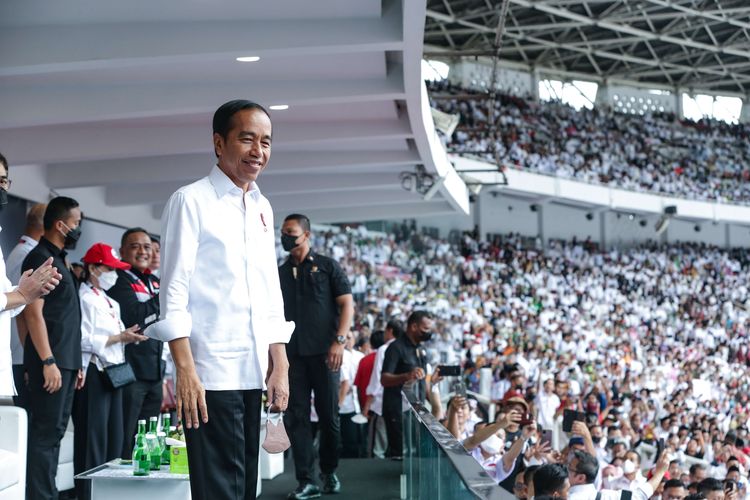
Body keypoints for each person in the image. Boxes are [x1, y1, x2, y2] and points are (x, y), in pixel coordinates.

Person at [147, 99, 293, 500]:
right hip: (210, 373)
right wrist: (186, 370)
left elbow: (269, 292)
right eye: (247, 139)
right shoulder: (190, 200)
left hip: (252, 373)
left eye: (265, 142)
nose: (257, 152)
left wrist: (279, 362)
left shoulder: (262, 207)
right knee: (220, 492)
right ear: (218, 143)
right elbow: (173, 291)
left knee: (246, 490)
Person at [279, 213, 355, 499]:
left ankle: (329, 470)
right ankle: (306, 480)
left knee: (329, 417)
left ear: (306, 235)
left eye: (291, 232)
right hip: (292, 357)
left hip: (327, 355)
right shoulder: (280, 272)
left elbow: (347, 304)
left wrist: (339, 341)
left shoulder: (327, 267)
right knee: (296, 418)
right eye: (283, 232)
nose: (286, 236)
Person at [72, 243, 147, 500]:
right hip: (93, 371)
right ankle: (87, 494)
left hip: (114, 372)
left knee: (115, 437)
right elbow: (80, 339)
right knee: (92, 439)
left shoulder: (109, 300)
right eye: (109, 268)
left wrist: (128, 338)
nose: (113, 274)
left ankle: (109, 492)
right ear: (93, 268)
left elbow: (115, 334)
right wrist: (117, 338)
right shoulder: (83, 298)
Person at [22, 196, 83, 500]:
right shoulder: (39, 258)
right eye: (76, 224)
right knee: (45, 435)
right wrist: (46, 360)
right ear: (61, 225)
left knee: (55, 433)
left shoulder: (58, 259)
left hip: (66, 361)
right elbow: (32, 313)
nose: (78, 228)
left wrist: (75, 363)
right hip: (51, 361)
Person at [106, 227, 162, 458]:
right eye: (135, 246)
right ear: (122, 251)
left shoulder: (153, 281)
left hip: (156, 372)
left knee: (149, 438)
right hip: (130, 372)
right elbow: (135, 317)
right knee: (127, 436)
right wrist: (165, 297)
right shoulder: (119, 280)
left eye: (147, 247)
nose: (142, 251)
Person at [7, 202, 46, 409]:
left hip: (21, 351)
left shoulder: (22, 251)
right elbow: (26, 309)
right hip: (22, 352)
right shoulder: (26, 255)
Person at [380, 310, 434, 460]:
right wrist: (406, 376)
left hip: (417, 411)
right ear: (414, 326)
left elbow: (423, 381)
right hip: (398, 409)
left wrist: (433, 403)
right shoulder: (395, 348)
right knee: (398, 454)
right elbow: (384, 379)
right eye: (425, 329)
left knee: (417, 452)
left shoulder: (421, 349)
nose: (428, 333)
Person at [364, 320, 403, 458]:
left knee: (378, 446)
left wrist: (367, 405)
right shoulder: (405, 348)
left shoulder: (384, 349)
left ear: (390, 331)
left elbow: (376, 379)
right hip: (401, 405)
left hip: (382, 402)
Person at [339, 331, 365, 458]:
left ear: (354, 340)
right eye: (345, 338)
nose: (348, 341)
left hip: (356, 401)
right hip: (342, 401)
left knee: (354, 437)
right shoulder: (339, 354)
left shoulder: (360, 357)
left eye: (350, 338)